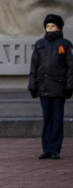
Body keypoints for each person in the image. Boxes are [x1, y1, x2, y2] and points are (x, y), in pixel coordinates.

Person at [28, 14, 73, 160]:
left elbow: (70, 67)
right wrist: (32, 85)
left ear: (59, 27)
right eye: (48, 26)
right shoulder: (40, 43)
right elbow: (33, 66)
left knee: (57, 119)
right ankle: (46, 149)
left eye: (52, 26)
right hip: (43, 87)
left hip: (58, 87)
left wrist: (69, 86)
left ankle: (55, 149)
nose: (50, 29)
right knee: (47, 119)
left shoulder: (65, 44)